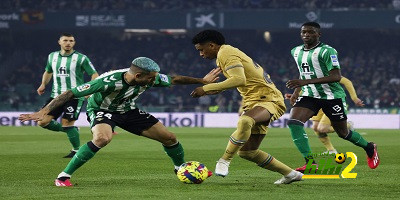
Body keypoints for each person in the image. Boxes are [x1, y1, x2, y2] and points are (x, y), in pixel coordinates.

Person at [19, 57, 219, 187]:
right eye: (150, 79)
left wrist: (202, 81)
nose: (154, 81)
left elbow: (174, 79)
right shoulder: (107, 81)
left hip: (128, 110)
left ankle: (179, 168)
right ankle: (63, 177)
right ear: (138, 75)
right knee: (102, 139)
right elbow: (71, 92)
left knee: (170, 138)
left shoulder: (151, 77)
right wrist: (44, 110)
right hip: (102, 110)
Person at [191, 30, 303, 184]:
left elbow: (239, 80)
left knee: (245, 121)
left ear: (211, 45)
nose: (201, 54)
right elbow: (240, 80)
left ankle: (224, 160)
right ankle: (291, 174)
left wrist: (205, 89)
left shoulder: (226, 53)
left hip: (268, 99)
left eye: (201, 50)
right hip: (254, 101)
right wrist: (215, 88)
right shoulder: (224, 55)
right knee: (248, 152)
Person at [285, 22, 380, 172]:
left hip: (332, 96)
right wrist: (297, 91)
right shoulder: (295, 51)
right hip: (311, 94)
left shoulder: (328, 51)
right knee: (294, 122)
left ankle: (369, 147)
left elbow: (336, 76)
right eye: (303, 32)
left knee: (343, 133)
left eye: (311, 32)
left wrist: (305, 82)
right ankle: (310, 162)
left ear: (319, 34)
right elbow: (303, 74)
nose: (306, 35)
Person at [36, 33, 99, 158]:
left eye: (71, 40)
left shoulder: (81, 58)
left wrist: (89, 90)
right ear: (59, 42)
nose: (68, 43)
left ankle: (76, 150)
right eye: (65, 40)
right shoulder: (52, 56)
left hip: (74, 96)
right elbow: (48, 71)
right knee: (42, 122)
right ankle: (72, 131)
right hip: (56, 96)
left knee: (67, 122)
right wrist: (43, 84)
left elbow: (94, 74)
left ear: (74, 43)